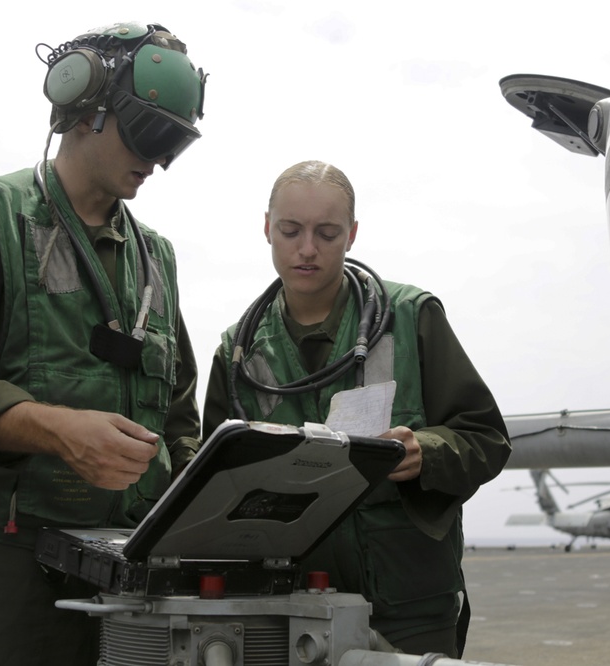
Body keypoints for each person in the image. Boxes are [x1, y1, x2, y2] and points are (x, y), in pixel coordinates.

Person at [0, 21, 206, 665]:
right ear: (84, 103)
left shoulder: (158, 260)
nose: (155, 160)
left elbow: (177, 410)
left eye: (173, 143)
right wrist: (54, 429)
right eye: (147, 131)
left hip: (124, 575)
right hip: (2, 573)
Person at [203, 160, 511, 658]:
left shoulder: (413, 318)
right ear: (266, 229)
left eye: (327, 232)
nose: (307, 249)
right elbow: (212, 490)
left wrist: (426, 452)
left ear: (352, 235)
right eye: (290, 230)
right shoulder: (235, 354)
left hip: (410, 608)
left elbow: (486, 438)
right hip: (287, 610)